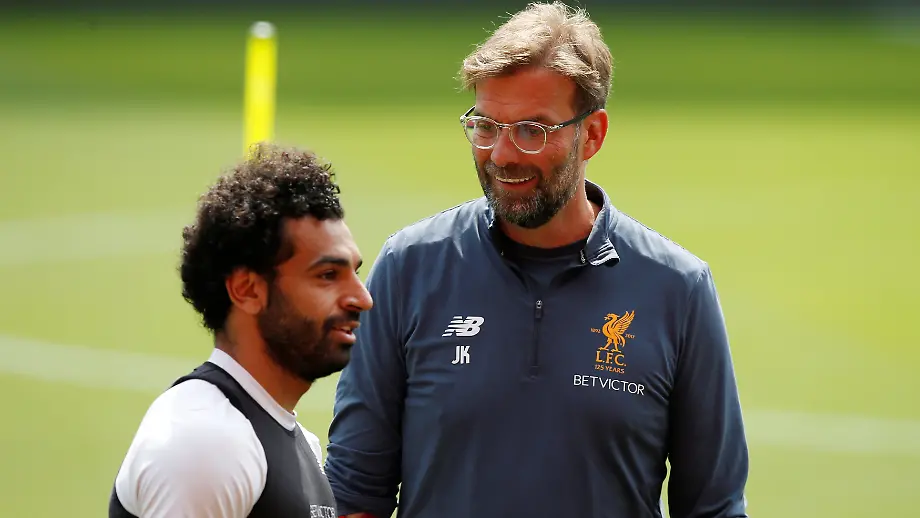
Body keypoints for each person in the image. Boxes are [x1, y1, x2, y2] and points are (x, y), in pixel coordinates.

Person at [324, 2, 750, 518]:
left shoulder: (678, 288)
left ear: (592, 135)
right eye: (486, 126)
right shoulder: (409, 267)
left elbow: (713, 507)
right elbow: (354, 492)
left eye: (532, 130)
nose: (502, 154)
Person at [108, 143, 373, 518]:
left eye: (354, 273)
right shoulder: (207, 441)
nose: (362, 298)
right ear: (247, 290)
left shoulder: (290, 441)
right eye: (328, 275)